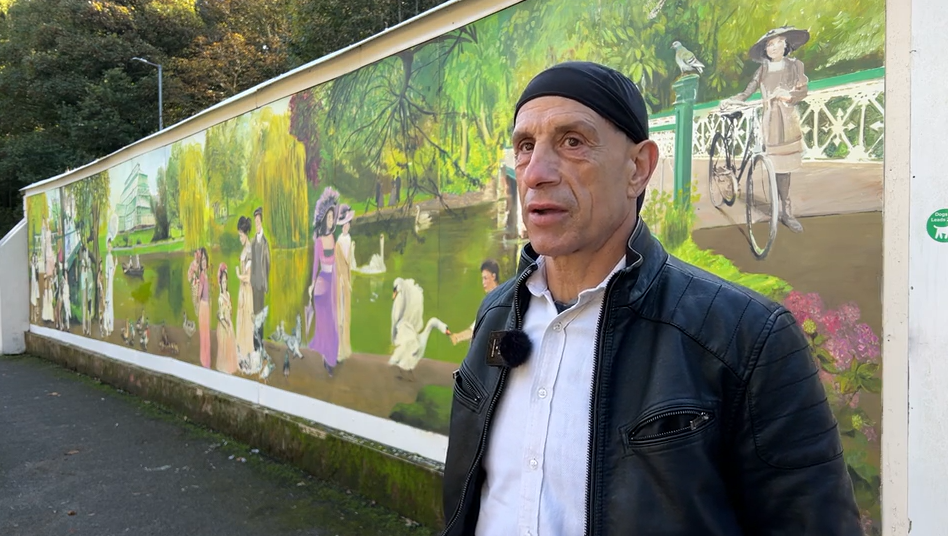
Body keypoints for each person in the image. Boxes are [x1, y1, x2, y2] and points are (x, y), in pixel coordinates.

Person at [441, 61, 861, 535]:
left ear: (638, 168)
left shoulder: (745, 336)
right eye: (524, 147)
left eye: (572, 142)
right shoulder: (497, 314)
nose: (536, 172)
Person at [724, 26, 810, 233]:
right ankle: (775, 209)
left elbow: (803, 90)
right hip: (769, 122)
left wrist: (789, 95)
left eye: (776, 42)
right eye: (769, 45)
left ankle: (786, 212)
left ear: (786, 44)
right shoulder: (763, 69)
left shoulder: (795, 65)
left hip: (788, 122)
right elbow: (748, 91)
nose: (772, 47)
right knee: (773, 167)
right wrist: (734, 100)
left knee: (785, 169)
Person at [307, 187, 340, 377]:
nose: (330, 220)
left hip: (332, 280)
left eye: (331, 218)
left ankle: (331, 356)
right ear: (324, 219)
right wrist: (312, 285)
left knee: (332, 320)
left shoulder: (332, 238)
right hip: (322, 284)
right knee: (325, 321)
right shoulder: (319, 240)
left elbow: (335, 262)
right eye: (327, 217)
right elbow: (315, 265)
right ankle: (327, 358)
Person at [449, 259, 500, 346]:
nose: (483, 283)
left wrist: (458, 337)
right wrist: (458, 337)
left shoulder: (498, 300)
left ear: (493, 276)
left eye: (485, 278)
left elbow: (475, 331)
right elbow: (474, 329)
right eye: (482, 278)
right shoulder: (489, 301)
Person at [334, 203, 356, 361]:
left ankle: (346, 348)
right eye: (343, 224)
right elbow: (339, 265)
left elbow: (350, 264)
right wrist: (344, 281)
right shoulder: (339, 242)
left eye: (348, 224)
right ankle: (339, 350)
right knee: (340, 316)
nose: (346, 226)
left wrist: (350, 280)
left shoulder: (349, 240)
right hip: (340, 283)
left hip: (347, 281)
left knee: (347, 315)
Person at [235, 216, 256, 369]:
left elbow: (248, 277)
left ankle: (247, 357)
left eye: (240, 235)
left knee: (246, 323)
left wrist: (237, 275)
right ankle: (243, 357)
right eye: (239, 235)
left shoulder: (249, 250)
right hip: (243, 290)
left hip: (246, 290)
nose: (239, 238)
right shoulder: (245, 249)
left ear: (245, 233)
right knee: (242, 321)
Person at [251, 207, 271, 350]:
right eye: (255, 222)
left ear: (261, 223)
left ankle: (260, 341)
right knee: (254, 313)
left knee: (260, 315)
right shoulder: (253, 242)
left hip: (261, 284)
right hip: (253, 284)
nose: (257, 224)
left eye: (258, 221)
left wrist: (264, 279)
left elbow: (268, 263)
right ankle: (254, 343)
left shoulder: (265, 243)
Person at [216, 263, 238, 374]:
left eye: (226, 282)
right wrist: (226, 326)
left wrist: (230, 312)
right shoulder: (220, 299)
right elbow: (220, 316)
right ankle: (224, 366)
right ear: (220, 283)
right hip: (224, 325)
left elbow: (230, 310)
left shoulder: (228, 295)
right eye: (223, 282)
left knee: (231, 346)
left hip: (229, 323)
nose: (224, 285)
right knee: (224, 346)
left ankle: (230, 366)